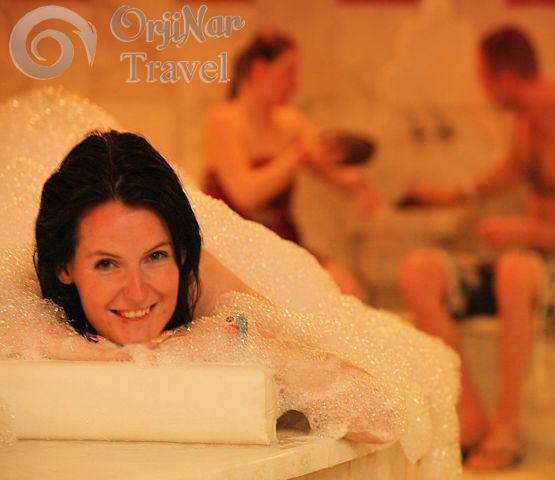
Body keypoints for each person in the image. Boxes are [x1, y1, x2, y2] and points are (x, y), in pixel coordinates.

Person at [0, 112, 460, 478]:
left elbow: (381, 415)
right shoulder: (27, 290)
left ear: (181, 252)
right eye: (107, 264)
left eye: (155, 256)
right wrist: (84, 352)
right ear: (64, 267)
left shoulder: (202, 282)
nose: (137, 291)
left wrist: (245, 344)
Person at [397, 25, 555, 470]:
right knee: (419, 270)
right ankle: (470, 417)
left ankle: (508, 430)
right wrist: (454, 195)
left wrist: (526, 231)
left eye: (483, 78)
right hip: (527, 267)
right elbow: (513, 172)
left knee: (515, 268)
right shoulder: (526, 120)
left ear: (505, 79)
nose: (482, 90)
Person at [203, 30, 376, 299]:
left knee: (344, 285)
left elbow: (331, 168)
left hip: (282, 242)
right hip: (234, 250)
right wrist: (297, 155)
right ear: (260, 69)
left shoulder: (290, 122)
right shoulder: (224, 121)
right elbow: (245, 194)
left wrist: (360, 185)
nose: (294, 85)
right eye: (288, 73)